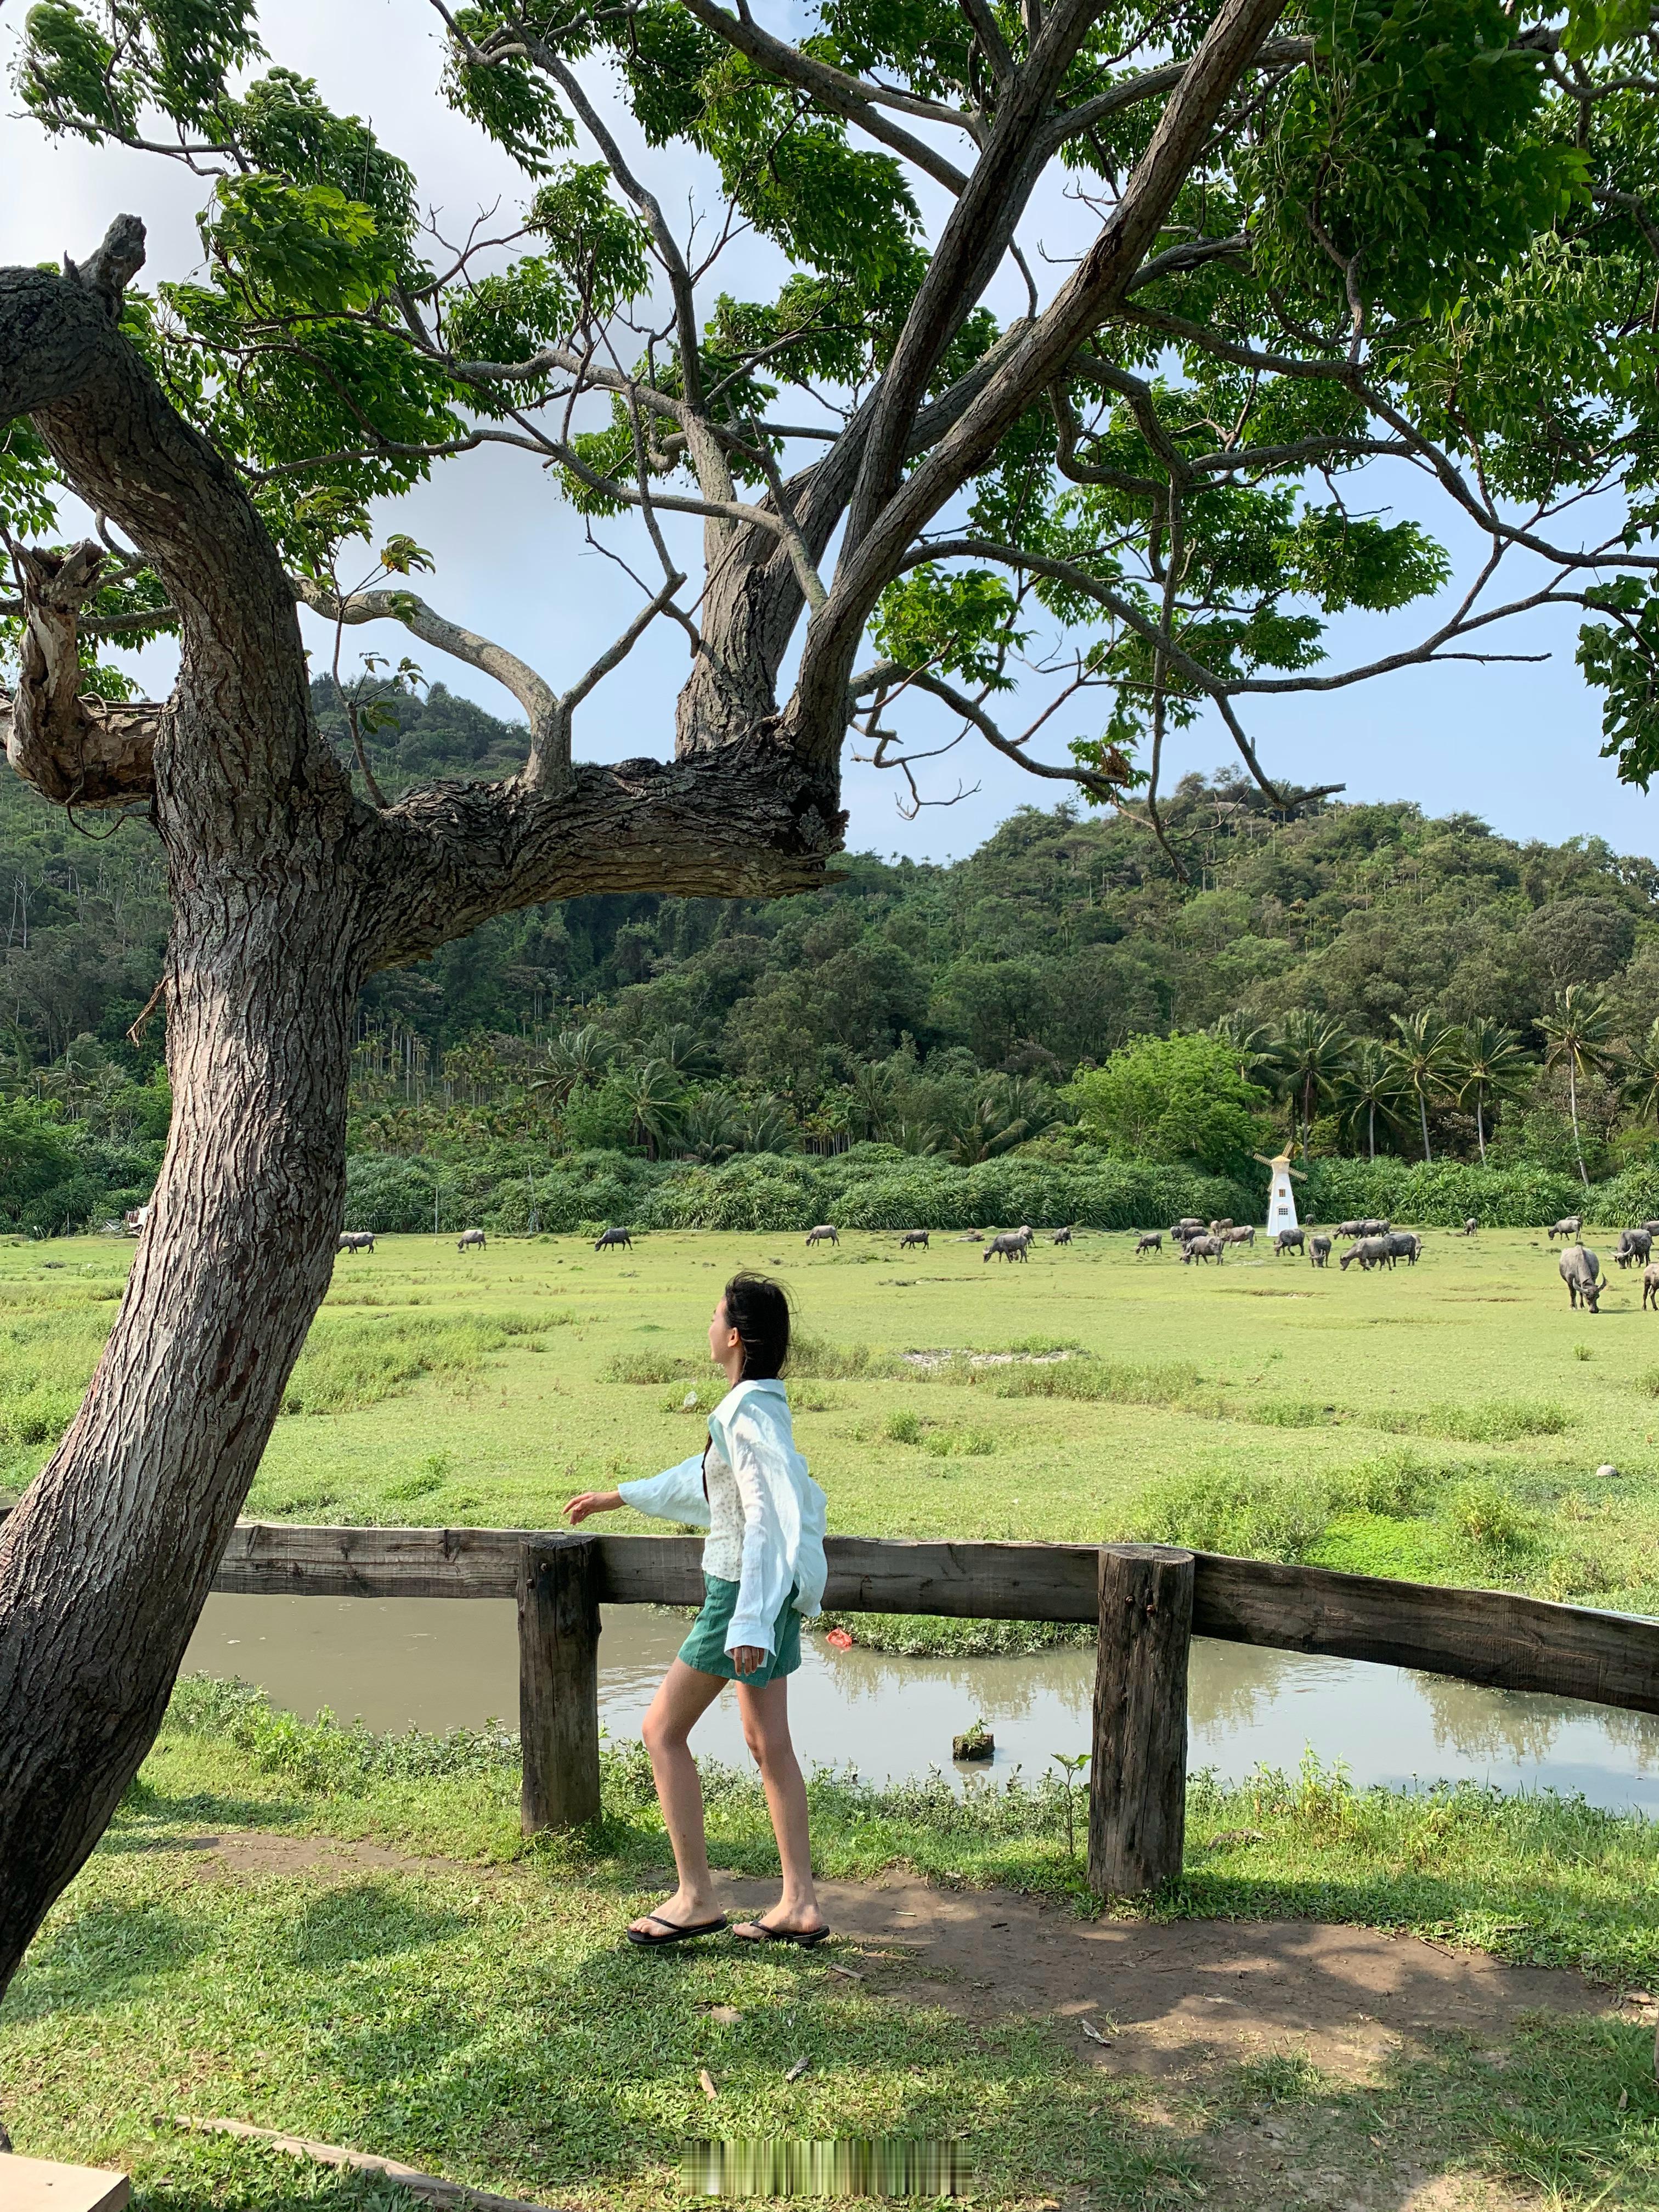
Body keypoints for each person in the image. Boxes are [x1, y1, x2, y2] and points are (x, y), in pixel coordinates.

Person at [565, 1272, 830, 1948]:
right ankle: (798, 1902)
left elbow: (768, 1512)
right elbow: (710, 1485)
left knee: (660, 1731)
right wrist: (619, 1496)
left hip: (741, 1594)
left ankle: (695, 1896)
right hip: (763, 1599)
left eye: (715, 1316)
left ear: (736, 1337)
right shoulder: (757, 1406)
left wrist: (745, 1620)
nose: (708, 1326)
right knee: (768, 1744)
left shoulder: (745, 1413)